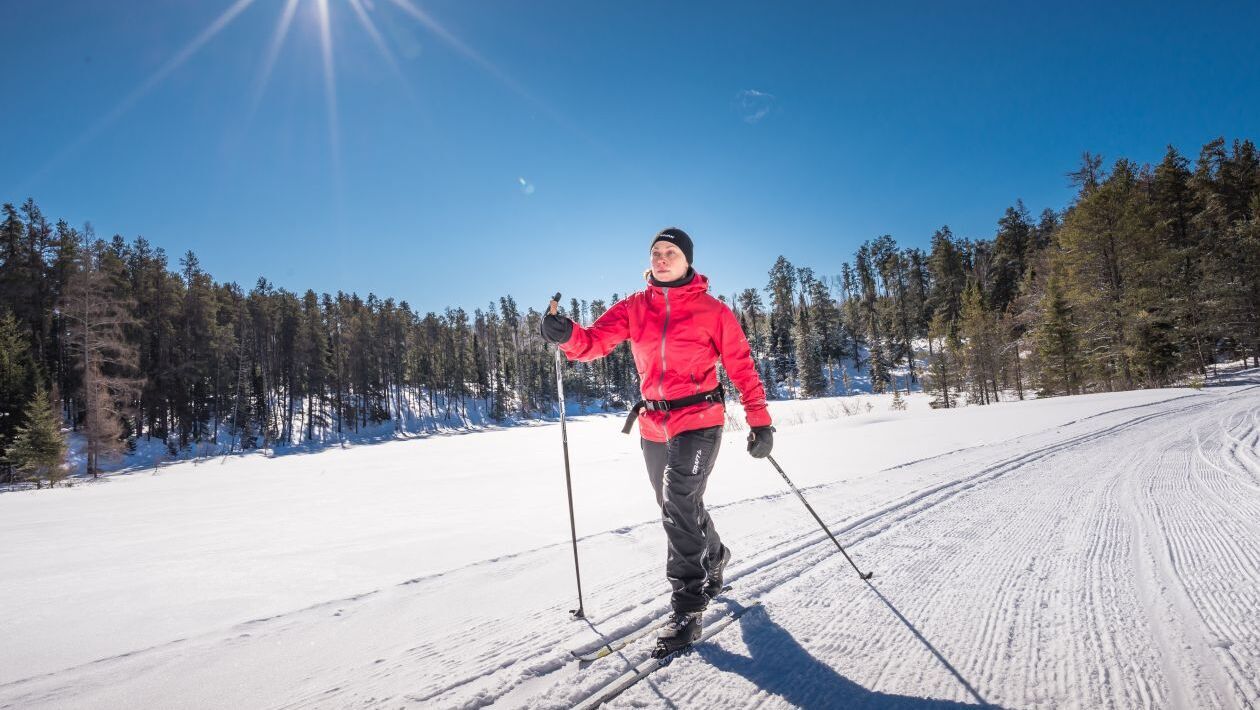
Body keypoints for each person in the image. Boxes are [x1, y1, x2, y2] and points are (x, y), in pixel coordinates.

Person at [540, 227, 775, 656]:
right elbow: (592, 343)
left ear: (688, 261)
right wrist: (564, 332)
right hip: (653, 422)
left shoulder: (713, 311)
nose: (662, 258)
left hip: (700, 418)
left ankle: (688, 606)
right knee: (675, 505)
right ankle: (715, 554)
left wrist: (760, 422)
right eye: (656, 253)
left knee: (679, 497)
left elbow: (742, 367)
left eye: (670, 252)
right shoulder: (634, 307)